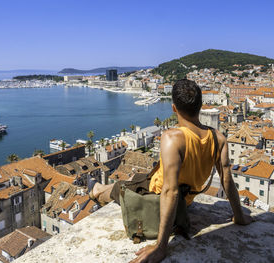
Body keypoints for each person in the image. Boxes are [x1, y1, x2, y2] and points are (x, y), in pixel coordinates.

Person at [89, 79, 253, 263]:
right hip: (187, 199)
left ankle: (95, 191)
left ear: (174, 108)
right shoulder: (219, 138)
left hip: (154, 194)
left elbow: (170, 191)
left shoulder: (172, 138)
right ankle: (97, 187)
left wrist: (160, 247)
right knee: (134, 179)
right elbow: (227, 180)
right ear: (200, 106)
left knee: (116, 189)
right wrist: (238, 216)